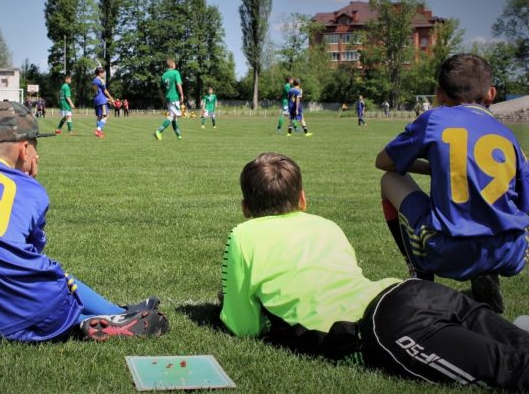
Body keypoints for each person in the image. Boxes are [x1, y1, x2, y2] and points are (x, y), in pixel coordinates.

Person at [220, 152, 529, 392]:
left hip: (385, 324)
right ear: (303, 200)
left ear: (246, 208)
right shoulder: (326, 225)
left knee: (513, 371)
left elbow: (244, 326)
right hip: (416, 292)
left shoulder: (243, 235)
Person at [0, 101, 169, 343]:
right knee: (55, 275)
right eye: (35, 146)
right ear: (23, 150)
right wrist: (31, 181)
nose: (38, 155)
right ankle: (113, 314)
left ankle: (87, 321)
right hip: (32, 302)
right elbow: (28, 261)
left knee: (21, 312)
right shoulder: (30, 189)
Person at [376, 53, 529, 314]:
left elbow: (384, 162)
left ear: (438, 93)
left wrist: (432, 166)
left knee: (390, 179)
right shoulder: (507, 135)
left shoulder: (433, 119)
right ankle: (486, 275)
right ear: (491, 94)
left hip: (448, 249)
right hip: (509, 251)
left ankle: (419, 276)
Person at [154, 59, 184, 141]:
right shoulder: (175, 72)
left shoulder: (163, 75)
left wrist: (163, 99)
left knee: (174, 117)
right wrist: (181, 94)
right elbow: (178, 84)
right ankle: (158, 131)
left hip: (168, 98)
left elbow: (159, 89)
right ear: (173, 65)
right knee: (175, 116)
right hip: (174, 98)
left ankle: (178, 135)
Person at [92, 66, 114, 138]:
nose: (104, 74)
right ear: (100, 73)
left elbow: (96, 92)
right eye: (103, 73)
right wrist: (111, 98)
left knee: (99, 116)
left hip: (96, 100)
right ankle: (98, 130)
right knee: (106, 115)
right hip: (101, 100)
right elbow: (104, 91)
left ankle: (99, 132)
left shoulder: (94, 81)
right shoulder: (101, 80)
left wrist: (106, 99)